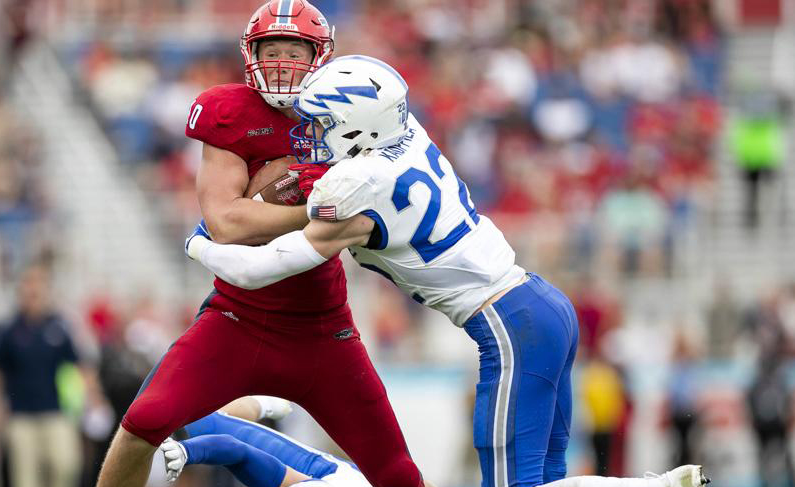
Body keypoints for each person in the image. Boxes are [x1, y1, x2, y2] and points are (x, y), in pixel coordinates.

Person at [183, 55, 707, 487]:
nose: (314, 135)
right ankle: (654, 484)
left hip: (509, 327)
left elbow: (259, 270)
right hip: (542, 302)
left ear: (358, 127)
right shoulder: (405, 131)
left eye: (324, 124)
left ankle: (648, 486)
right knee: (542, 482)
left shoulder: (356, 185)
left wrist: (201, 245)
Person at [96, 3, 423, 487]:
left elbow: (379, 204)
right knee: (141, 424)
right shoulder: (229, 110)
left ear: (320, 56)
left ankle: (255, 406)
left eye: (296, 49)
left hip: (323, 329)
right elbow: (227, 221)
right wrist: (314, 212)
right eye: (273, 49)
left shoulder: (346, 115)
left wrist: (282, 211)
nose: (284, 62)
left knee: (396, 471)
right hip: (236, 318)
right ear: (251, 54)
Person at [159, 396, 708, 487]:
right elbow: (243, 422)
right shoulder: (203, 418)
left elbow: (239, 449)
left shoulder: (203, 428)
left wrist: (190, 452)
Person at [0, 264, 105, 487]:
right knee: (26, 476)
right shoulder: (9, 329)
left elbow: (81, 365)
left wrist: (94, 398)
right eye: (28, 283)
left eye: (38, 283)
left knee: (66, 465)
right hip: (21, 415)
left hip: (55, 411)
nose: (33, 290)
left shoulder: (59, 326)